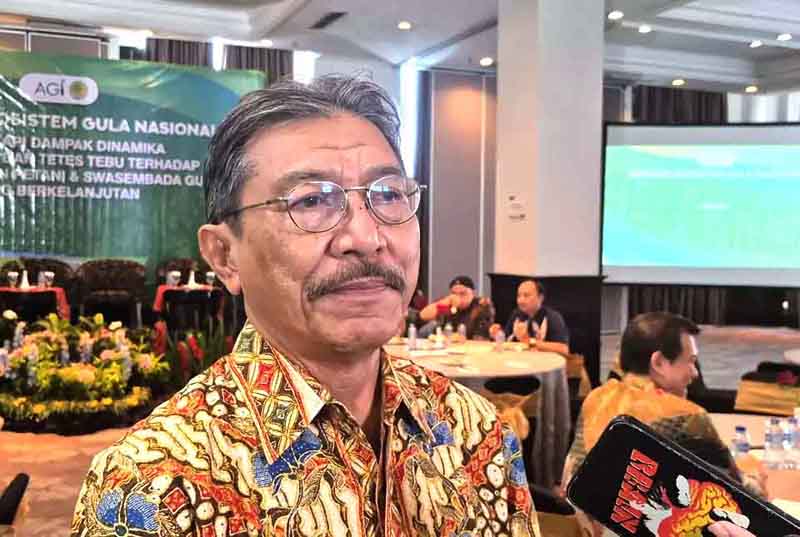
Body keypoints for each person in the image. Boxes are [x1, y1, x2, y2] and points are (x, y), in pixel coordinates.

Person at [71, 75, 540, 537]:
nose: (366, 238)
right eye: (312, 200)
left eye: (388, 195)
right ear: (225, 255)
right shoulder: (151, 487)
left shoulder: (476, 432)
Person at [562, 312, 765, 537]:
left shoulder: (597, 397)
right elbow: (744, 497)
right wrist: (756, 473)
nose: (695, 373)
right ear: (658, 362)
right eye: (690, 361)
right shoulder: (684, 415)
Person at [491, 279, 569, 355]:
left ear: (540, 298)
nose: (521, 300)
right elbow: (507, 339)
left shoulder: (553, 317)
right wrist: (498, 333)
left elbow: (564, 349)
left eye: (526, 295)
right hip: (519, 360)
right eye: (519, 296)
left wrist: (528, 341)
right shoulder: (516, 314)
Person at [418, 275, 494, 339]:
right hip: (447, 345)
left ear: (472, 293)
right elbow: (422, 316)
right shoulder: (448, 305)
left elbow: (481, 337)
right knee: (424, 330)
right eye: (454, 293)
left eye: (463, 293)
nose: (458, 298)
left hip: (469, 346)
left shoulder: (480, 305)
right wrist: (446, 301)